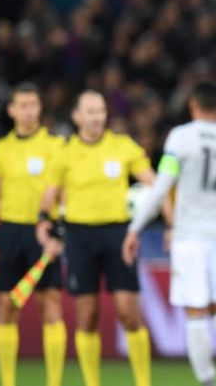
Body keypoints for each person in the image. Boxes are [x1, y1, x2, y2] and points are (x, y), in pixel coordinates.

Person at [121, 83, 216, 386]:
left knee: (196, 313)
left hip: (191, 236)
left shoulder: (181, 137)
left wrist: (134, 228)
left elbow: (160, 187)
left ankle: (208, 381)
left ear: (193, 104)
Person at [37, 90, 154, 386]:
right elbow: (49, 195)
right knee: (87, 316)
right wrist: (43, 222)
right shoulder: (64, 153)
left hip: (117, 234)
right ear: (77, 116)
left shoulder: (123, 146)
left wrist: (172, 218)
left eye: (100, 110)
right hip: (79, 237)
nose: (96, 116)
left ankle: (144, 382)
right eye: (90, 111)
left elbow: (153, 182)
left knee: (129, 313)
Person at [0, 82, 66, 386]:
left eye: (34, 104)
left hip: (41, 232)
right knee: (6, 305)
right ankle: (7, 382)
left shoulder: (56, 146)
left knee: (51, 303)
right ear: (12, 110)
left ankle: (54, 382)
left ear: (40, 107)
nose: (29, 110)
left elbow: (64, 192)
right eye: (23, 105)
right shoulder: (2, 148)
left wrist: (59, 231)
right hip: (9, 231)